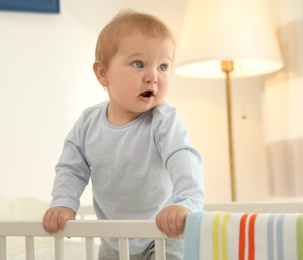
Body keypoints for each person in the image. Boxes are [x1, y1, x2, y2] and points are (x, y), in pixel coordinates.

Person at [42, 10, 205, 260]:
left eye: (163, 66)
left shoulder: (163, 121)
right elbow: (71, 168)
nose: (153, 76)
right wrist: (63, 203)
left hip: (163, 232)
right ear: (103, 74)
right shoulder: (88, 124)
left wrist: (183, 203)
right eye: (139, 64)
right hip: (113, 238)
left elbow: (185, 160)